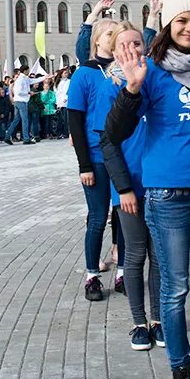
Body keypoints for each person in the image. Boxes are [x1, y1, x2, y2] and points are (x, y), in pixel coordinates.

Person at [104, 0, 190, 379]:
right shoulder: (150, 71)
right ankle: (180, 366)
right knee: (175, 289)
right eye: (181, 20)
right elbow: (115, 132)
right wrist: (132, 88)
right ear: (167, 26)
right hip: (167, 195)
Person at [99, 22, 164, 352]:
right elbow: (107, 142)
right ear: (113, 51)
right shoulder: (111, 85)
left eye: (137, 42)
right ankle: (139, 322)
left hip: (160, 182)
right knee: (136, 254)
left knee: (160, 256)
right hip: (129, 188)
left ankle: (158, 319)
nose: (131, 49)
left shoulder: (157, 77)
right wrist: (123, 188)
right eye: (123, 44)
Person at [67, 17, 120, 301]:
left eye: (117, 33)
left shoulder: (124, 70)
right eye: (109, 33)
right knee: (98, 218)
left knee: (124, 217)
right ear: (97, 39)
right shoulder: (84, 74)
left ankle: (123, 271)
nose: (113, 38)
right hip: (96, 157)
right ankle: (92, 276)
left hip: (123, 156)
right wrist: (84, 164)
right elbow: (74, 118)